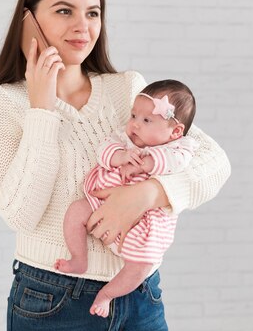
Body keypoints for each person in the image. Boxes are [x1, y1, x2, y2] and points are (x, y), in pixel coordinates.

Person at [0, 0, 231, 331]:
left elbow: (213, 162)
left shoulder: (128, 90)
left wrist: (148, 194)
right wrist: (41, 107)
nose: (83, 26)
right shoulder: (2, 104)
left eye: (93, 13)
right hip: (51, 301)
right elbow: (20, 213)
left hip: (140, 297)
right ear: (30, 20)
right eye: (64, 11)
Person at [54, 79, 199, 318]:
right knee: (76, 212)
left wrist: (147, 163)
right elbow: (104, 151)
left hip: (146, 224)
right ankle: (78, 258)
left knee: (142, 266)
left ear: (175, 131)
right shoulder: (125, 139)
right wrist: (120, 157)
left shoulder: (180, 147)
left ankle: (107, 295)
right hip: (101, 203)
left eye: (146, 120)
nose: (134, 125)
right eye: (133, 116)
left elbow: (179, 162)